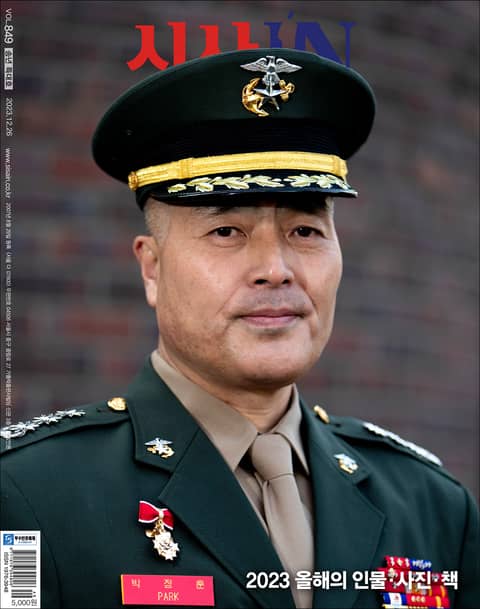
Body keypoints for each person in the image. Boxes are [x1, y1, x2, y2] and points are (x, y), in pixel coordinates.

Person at [1, 48, 478, 609]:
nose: (275, 269)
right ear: (151, 267)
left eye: (305, 231)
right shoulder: (31, 496)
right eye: (226, 232)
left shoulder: (431, 507)